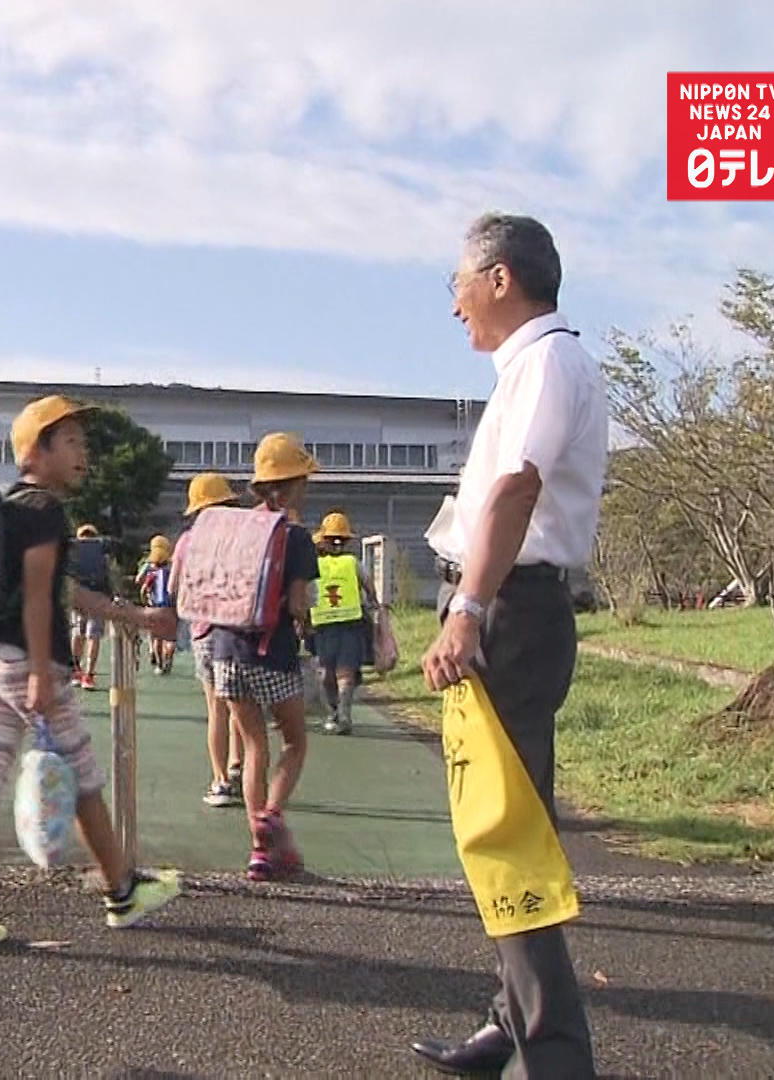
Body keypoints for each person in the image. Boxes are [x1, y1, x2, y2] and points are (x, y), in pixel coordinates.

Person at [413, 212, 607, 1078]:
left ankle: (554, 1056)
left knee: (507, 828)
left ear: (499, 278)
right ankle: (511, 1021)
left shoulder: (546, 361)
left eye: (458, 281)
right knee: (502, 821)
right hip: (509, 605)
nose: (453, 302)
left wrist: (468, 607)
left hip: (513, 611)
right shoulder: (532, 364)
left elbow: (516, 490)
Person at [0, 395, 182, 945]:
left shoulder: (12, 509)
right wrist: (41, 671)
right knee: (85, 778)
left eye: (83, 442)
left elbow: (64, 591)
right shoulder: (44, 511)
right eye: (70, 442)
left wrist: (131, 615)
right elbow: (41, 596)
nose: (83, 453)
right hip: (27, 664)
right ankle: (123, 892)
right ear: (34, 452)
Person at [181, 435, 320, 882]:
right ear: (295, 483)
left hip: (224, 652)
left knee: (254, 746)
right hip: (272, 652)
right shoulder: (295, 536)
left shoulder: (233, 528)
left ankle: (260, 851)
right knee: (295, 742)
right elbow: (298, 603)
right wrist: (306, 622)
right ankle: (272, 816)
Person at [178, 473, 247, 808]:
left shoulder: (187, 543)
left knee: (216, 709)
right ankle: (237, 765)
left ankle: (220, 779)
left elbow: (177, 588)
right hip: (237, 630)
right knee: (239, 705)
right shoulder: (241, 539)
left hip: (203, 631)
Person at [310, 511, 380, 735]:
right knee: (346, 671)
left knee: (325, 672)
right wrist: (375, 606)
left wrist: (302, 621)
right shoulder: (353, 563)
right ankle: (345, 714)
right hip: (351, 624)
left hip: (322, 627)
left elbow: (306, 592)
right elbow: (370, 588)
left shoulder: (314, 564)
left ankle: (333, 713)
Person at [67, 524, 111, 690]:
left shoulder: (74, 551)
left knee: (78, 633)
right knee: (94, 636)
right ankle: (89, 675)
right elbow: (108, 574)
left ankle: (76, 670)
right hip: (98, 595)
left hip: (79, 595)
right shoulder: (101, 551)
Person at [135, 535, 177, 674]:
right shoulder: (172, 566)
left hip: (154, 605)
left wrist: (145, 598)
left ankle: (159, 663)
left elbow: (139, 582)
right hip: (171, 606)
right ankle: (168, 658)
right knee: (170, 637)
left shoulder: (150, 568)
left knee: (157, 636)